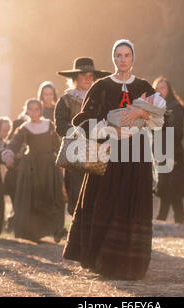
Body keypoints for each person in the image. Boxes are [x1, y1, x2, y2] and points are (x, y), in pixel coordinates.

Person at [63, 39, 161, 280]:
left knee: (132, 205)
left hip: (137, 155)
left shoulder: (144, 86)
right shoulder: (101, 86)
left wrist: (141, 112)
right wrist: (108, 129)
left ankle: (131, 264)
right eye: (118, 55)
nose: (123, 59)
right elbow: (82, 121)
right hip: (109, 154)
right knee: (106, 203)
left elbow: (163, 118)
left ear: (133, 58)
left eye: (127, 55)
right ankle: (102, 261)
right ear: (113, 58)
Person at [2, 99, 66, 244]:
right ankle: (33, 233)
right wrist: (8, 155)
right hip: (32, 168)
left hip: (49, 166)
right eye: (31, 109)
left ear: (41, 110)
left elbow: (58, 145)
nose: (34, 112)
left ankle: (55, 230)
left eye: (37, 109)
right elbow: (13, 144)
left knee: (52, 197)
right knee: (34, 199)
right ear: (27, 111)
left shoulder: (49, 125)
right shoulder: (25, 128)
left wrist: (63, 161)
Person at [55, 57, 110, 216]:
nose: (88, 78)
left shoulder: (102, 99)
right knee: (77, 194)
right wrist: (79, 132)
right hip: (75, 152)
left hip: (99, 152)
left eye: (91, 75)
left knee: (99, 194)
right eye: (83, 74)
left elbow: (110, 120)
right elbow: (60, 125)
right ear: (75, 78)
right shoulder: (66, 100)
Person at [153, 76, 184, 224]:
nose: (160, 91)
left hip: (172, 151)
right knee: (164, 186)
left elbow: (177, 132)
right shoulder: (155, 107)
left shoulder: (175, 107)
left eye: (163, 88)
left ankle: (171, 218)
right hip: (160, 151)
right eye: (157, 88)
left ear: (168, 90)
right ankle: (171, 219)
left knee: (172, 186)